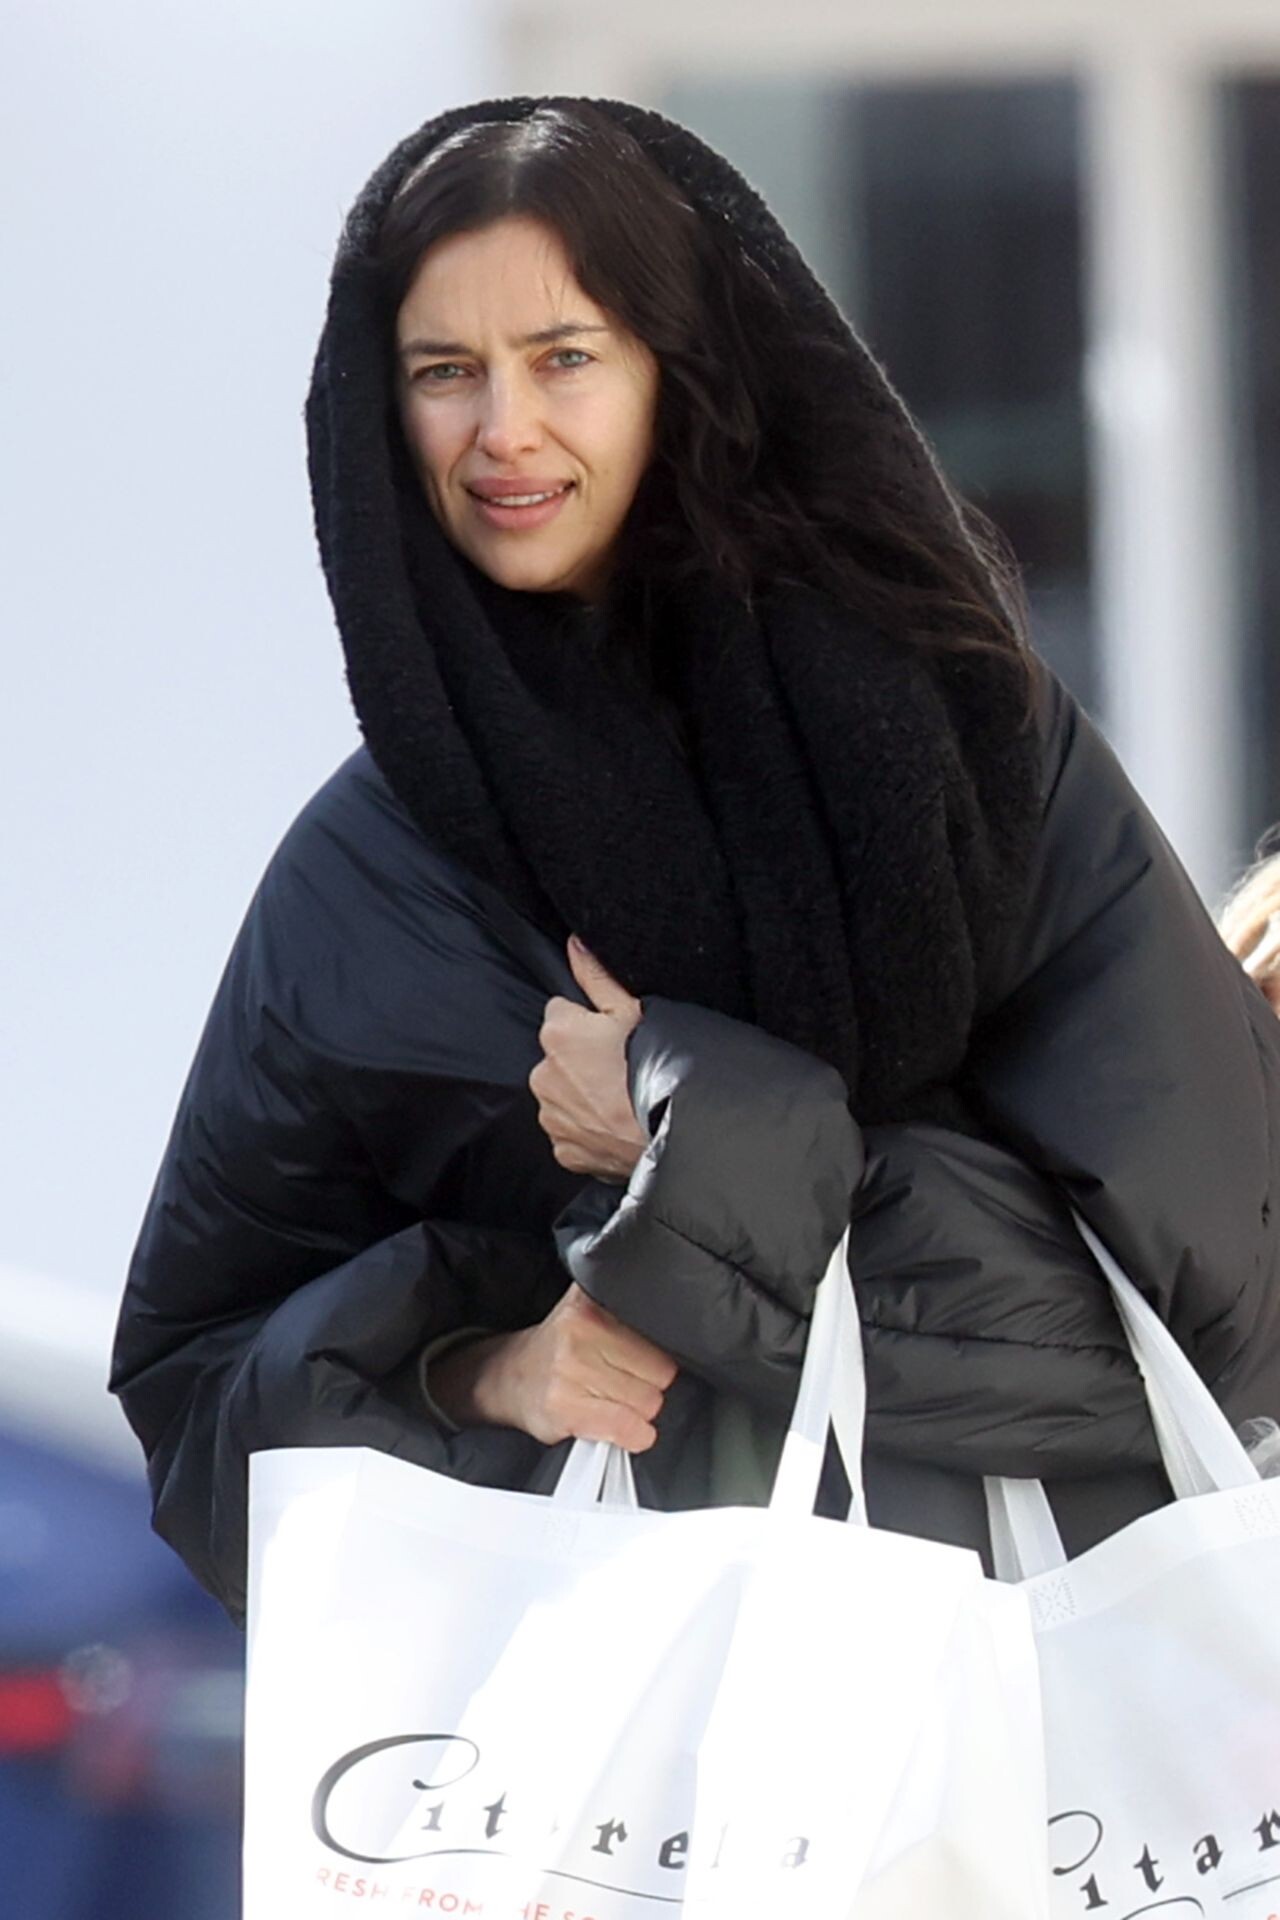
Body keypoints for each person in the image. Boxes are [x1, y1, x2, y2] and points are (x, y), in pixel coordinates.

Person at [111, 96, 1280, 1626]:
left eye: (564, 357)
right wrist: (481, 1369)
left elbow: (1219, 1318)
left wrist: (687, 1135)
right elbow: (201, 1399)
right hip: (612, 1743)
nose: (502, 429)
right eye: (444, 372)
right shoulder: (372, 874)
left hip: (1013, 1726)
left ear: (682, 368)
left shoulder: (970, 748)